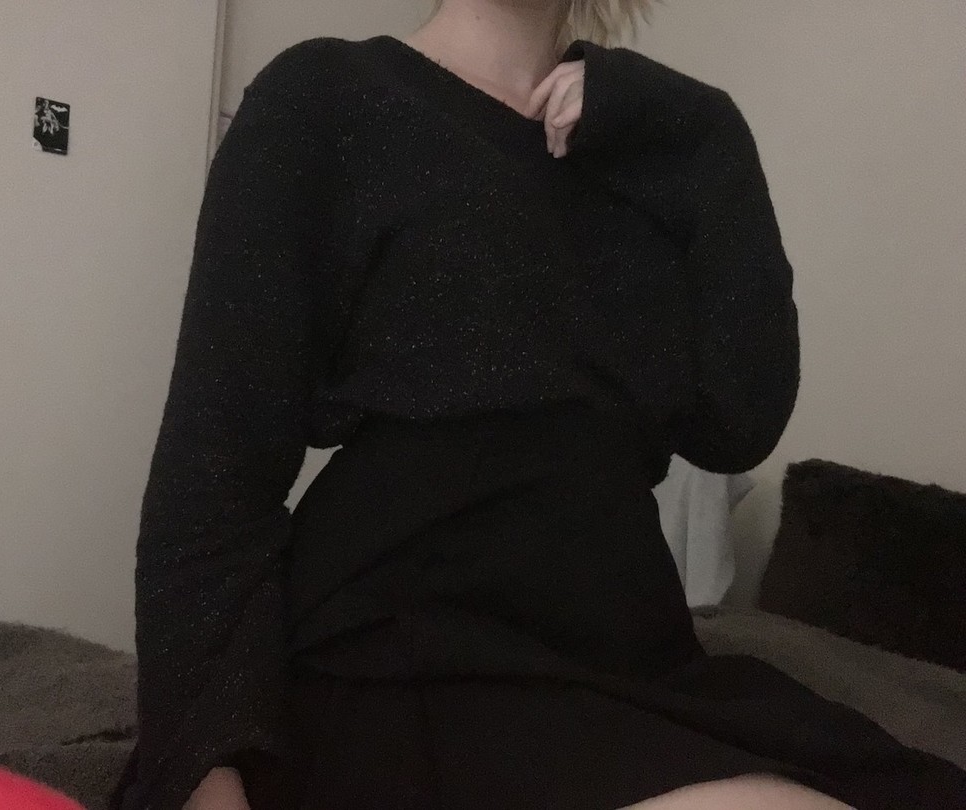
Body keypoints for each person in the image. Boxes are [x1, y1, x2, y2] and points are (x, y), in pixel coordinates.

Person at [109, 1, 966, 809]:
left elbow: (740, 418)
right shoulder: (326, 95)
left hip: (629, 654)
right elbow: (213, 479)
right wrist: (206, 770)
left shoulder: (663, 142)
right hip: (404, 646)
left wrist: (700, 132)